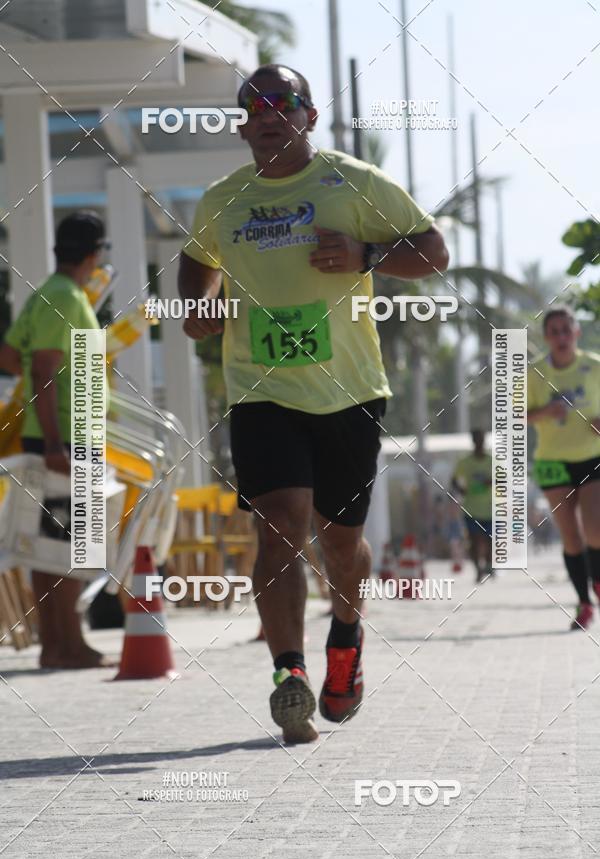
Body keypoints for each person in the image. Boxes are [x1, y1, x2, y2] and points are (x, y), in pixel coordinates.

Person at [179, 64, 449, 742]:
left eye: (283, 101)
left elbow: (434, 251)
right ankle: (288, 675)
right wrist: (198, 307)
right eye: (254, 104)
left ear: (308, 116)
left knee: (341, 541)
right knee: (279, 524)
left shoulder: (353, 182)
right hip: (260, 390)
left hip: (349, 391)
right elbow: (195, 262)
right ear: (242, 123)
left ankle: (347, 634)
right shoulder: (222, 199)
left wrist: (366, 253)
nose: (268, 113)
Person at [0, 211, 114, 667]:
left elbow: (12, 356)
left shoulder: (44, 296)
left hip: (57, 434)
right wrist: (53, 442)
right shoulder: (66, 297)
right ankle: (66, 645)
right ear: (94, 255)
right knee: (69, 546)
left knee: (53, 547)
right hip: (66, 437)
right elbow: (44, 370)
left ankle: (58, 643)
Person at [527, 306, 600, 630]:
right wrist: (544, 413)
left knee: (596, 529)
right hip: (552, 460)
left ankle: (598, 581)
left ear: (576, 332)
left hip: (592, 455)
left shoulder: (594, 366)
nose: (560, 337)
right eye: (554, 331)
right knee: (571, 537)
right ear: (546, 337)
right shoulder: (534, 373)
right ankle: (584, 602)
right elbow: (514, 415)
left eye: (565, 330)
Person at [451, 430, 493, 582]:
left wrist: (491, 482)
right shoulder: (465, 462)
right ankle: (478, 570)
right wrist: (461, 489)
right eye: (477, 440)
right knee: (474, 542)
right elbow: (454, 480)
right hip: (471, 509)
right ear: (473, 441)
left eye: (482, 439)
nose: (480, 443)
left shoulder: (491, 461)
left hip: (490, 509)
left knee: (490, 541)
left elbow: (503, 479)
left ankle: (488, 564)